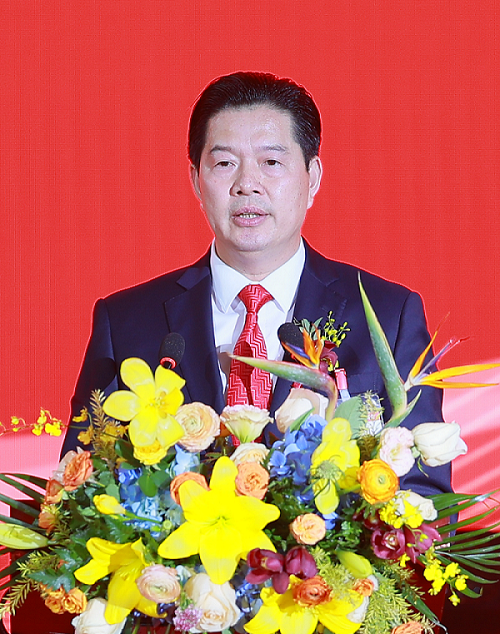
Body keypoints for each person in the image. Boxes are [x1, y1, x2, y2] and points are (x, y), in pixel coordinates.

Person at [61, 71, 450, 496]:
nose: (247, 185)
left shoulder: (389, 317)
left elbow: (423, 494)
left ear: (313, 177)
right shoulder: (127, 322)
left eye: (271, 163)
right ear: (196, 180)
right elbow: (80, 490)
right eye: (225, 163)